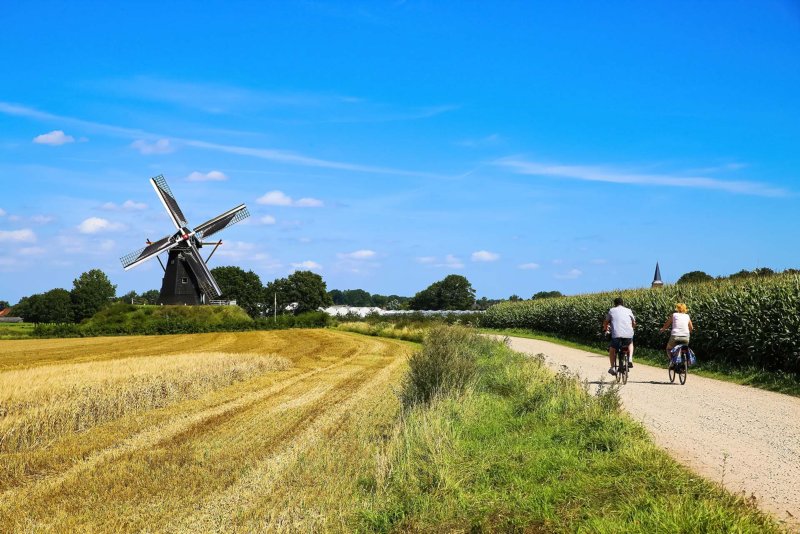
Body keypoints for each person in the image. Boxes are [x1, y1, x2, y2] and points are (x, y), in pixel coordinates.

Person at [602, 297, 636, 376]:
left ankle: (613, 367)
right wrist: (632, 328)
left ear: (615, 304)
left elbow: (606, 322)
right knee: (630, 343)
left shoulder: (612, 310)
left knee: (612, 348)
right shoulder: (629, 310)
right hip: (628, 334)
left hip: (616, 335)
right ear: (623, 303)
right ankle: (630, 359)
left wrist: (605, 329)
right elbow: (634, 323)